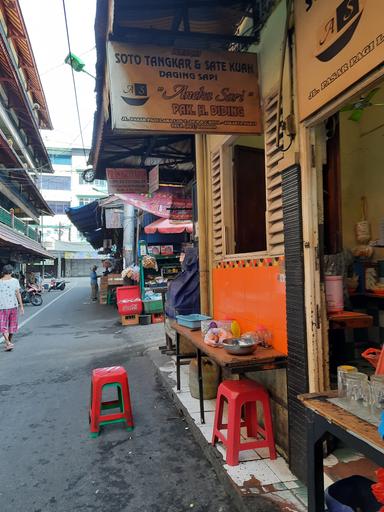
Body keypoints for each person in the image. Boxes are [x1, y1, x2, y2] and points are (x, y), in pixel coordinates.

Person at [0, 264, 24, 351]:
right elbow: (18, 293)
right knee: (12, 326)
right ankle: (8, 342)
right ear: (11, 272)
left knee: (3, 326)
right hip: (13, 307)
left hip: (2, 307)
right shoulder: (15, 281)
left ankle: (8, 342)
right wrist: (21, 306)